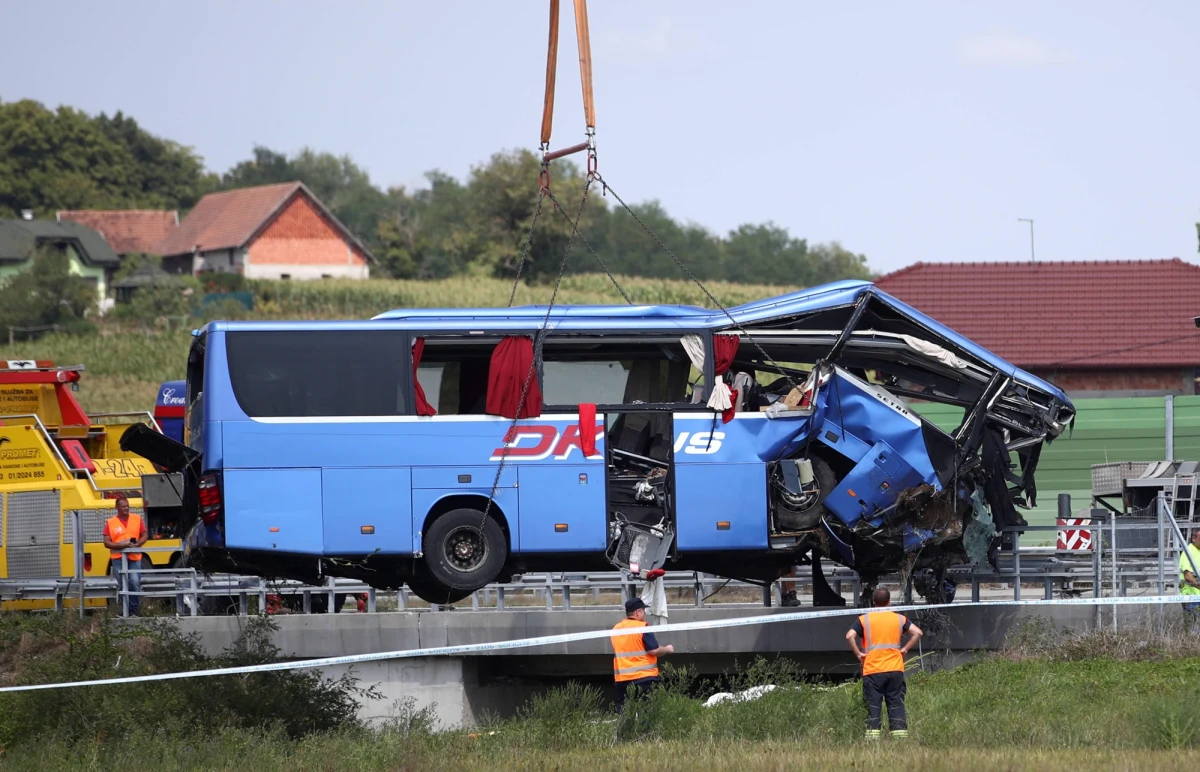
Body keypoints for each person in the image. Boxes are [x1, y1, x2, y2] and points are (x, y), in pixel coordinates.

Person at [845, 586, 923, 740]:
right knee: (896, 703)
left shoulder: (864, 619)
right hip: (895, 669)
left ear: (874, 602)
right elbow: (918, 633)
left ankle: (873, 740)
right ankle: (900, 739)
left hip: (873, 669)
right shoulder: (899, 618)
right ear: (889, 602)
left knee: (873, 705)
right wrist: (905, 649)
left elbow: (849, 636)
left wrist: (859, 654)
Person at [611, 598, 674, 710]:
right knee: (646, 714)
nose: (645, 614)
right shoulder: (642, 627)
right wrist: (667, 649)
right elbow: (654, 651)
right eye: (644, 611)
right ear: (638, 612)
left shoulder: (616, 628)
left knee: (625, 714)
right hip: (644, 679)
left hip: (622, 679)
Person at [102, 495, 147, 616]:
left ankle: (134, 611)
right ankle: (124, 611)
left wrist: (138, 544)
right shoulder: (111, 523)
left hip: (134, 557)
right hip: (118, 558)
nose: (126, 508)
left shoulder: (137, 519)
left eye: (127, 506)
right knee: (122, 585)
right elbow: (106, 542)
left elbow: (145, 535)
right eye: (123, 506)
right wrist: (121, 546)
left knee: (134, 582)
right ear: (117, 508)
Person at [1179, 529, 1200, 626]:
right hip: (1191, 597)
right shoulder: (1188, 552)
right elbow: (1188, 576)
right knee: (1193, 627)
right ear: (1194, 539)